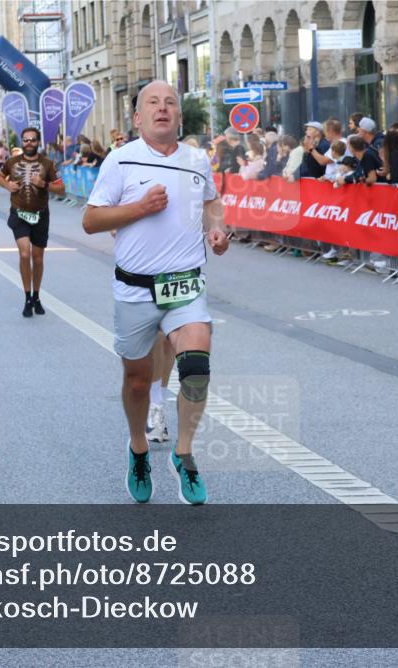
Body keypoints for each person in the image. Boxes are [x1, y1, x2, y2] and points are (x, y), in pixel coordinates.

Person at [82, 79, 228, 505]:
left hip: (186, 286)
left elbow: (210, 206)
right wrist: (139, 208)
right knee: (137, 381)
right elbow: (91, 221)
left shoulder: (196, 159)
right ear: (137, 117)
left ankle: (183, 453)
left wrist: (217, 232)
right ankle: (138, 447)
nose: (162, 108)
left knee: (197, 369)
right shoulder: (121, 161)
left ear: (179, 115)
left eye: (170, 103)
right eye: (153, 103)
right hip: (135, 289)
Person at [0, 126, 65, 317]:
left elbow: (62, 188)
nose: (29, 143)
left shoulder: (48, 164)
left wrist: (44, 185)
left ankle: (36, 295)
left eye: (33, 140)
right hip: (19, 213)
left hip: (40, 214)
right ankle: (27, 297)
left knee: (38, 257)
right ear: (21, 142)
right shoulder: (12, 161)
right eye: (25, 140)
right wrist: (7, 184)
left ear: (38, 142)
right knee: (25, 254)